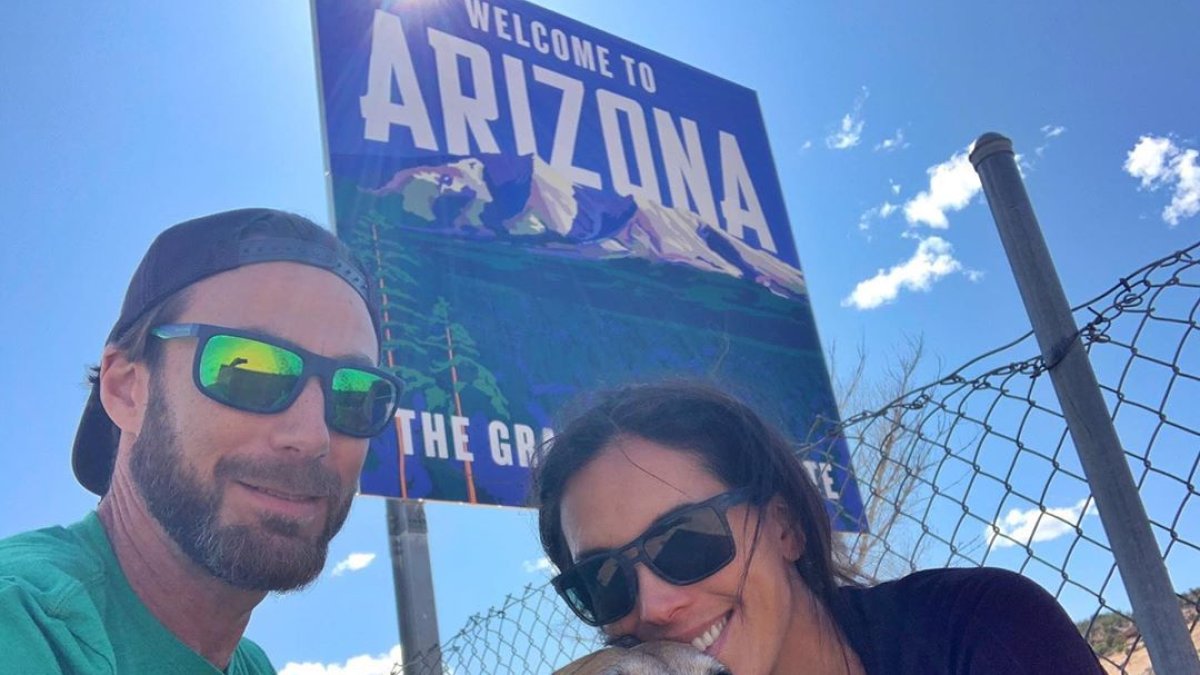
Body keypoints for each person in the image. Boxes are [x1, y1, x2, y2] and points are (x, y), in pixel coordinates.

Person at [0, 209, 403, 674]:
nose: (313, 436)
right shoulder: (25, 627)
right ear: (126, 390)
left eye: (356, 394)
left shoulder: (250, 665)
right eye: (249, 370)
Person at [534, 382, 1104, 674]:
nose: (654, 605)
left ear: (784, 526)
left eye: (685, 539)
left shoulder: (977, 633)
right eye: (603, 579)